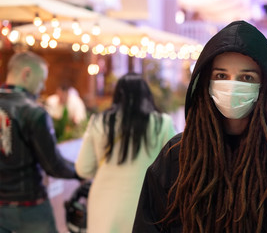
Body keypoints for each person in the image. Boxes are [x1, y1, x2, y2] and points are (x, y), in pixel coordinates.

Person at [133, 21, 267, 233]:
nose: (232, 86)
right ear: (206, 83)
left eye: (247, 77)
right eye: (221, 76)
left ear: (266, 85)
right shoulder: (177, 157)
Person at [75, 72, 176, 233]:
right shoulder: (162, 123)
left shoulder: (99, 121)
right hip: (146, 206)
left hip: (103, 205)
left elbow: (83, 168)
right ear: (146, 94)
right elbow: (174, 168)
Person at [0, 51, 81, 233]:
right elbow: (53, 165)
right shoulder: (34, 112)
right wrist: (80, 172)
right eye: (41, 79)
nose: (43, 87)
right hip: (29, 207)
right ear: (26, 73)